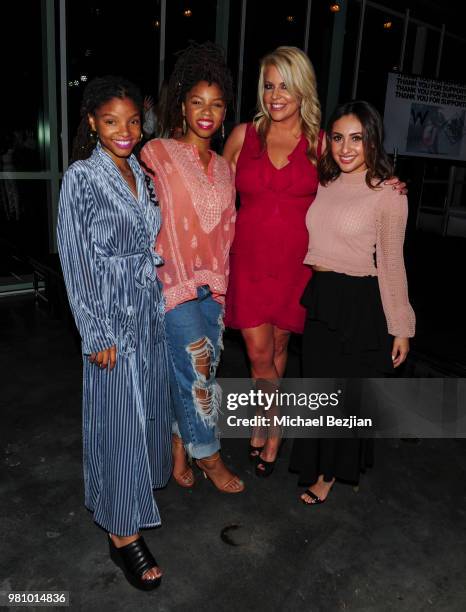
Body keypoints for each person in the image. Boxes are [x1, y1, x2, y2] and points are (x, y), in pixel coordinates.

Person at [223, 46, 407, 477]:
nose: (275, 95)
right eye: (268, 85)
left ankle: (269, 429)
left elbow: (355, 179)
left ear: (303, 89)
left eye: (285, 85)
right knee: (257, 352)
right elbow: (212, 192)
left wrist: (388, 182)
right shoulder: (241, 136)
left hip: (296, 267)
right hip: (248, 262)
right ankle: (269, 423)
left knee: (282, 348)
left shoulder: (321, 143)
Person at [57, 76, 171, 590]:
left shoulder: (139, 172)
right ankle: (123, 536)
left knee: (142, 414)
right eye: (111, 122)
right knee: (118, 422)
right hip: (109, 316)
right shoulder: (81, 178)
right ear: (91, 123)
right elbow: (75, 260)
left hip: (145, 310)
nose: (125, 131)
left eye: (132, 121)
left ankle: (128, 502)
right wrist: (94, 331)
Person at [289, 100, 416, 504]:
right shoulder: (325, 183)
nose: (346, 148)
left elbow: (393, 262)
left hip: (359, 302)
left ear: (372, 141)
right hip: (322, 297)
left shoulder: (388, 195)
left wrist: (401, 327)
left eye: (357, 139)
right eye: (339, 138)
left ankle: (329, 473)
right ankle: (320, 461)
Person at [140, 42, 243, 493]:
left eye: (216, 105)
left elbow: (227, 229)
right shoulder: (156, 153)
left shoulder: (224, 168)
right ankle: (210, 455)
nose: (207, 112)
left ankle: (179, 445)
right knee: (198, 371)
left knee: (204, 372)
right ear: (182, 104)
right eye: (198, 102)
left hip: (213, 286)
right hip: (172, 281)